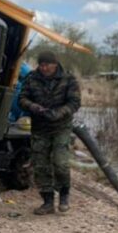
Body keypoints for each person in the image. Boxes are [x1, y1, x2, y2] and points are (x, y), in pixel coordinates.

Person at [18, 50, 81, 214]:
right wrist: (33, 107)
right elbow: (22, 99)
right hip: (40, 127)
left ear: (55, 64)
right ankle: (47, 202)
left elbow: (75, 102)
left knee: (60, 163)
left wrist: (59, 113)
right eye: (41, 65)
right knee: (40, 165)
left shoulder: (68, 79)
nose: (44, 68)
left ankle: (64, 195)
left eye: (47, 65)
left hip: (61, 127)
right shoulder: (31, 78)